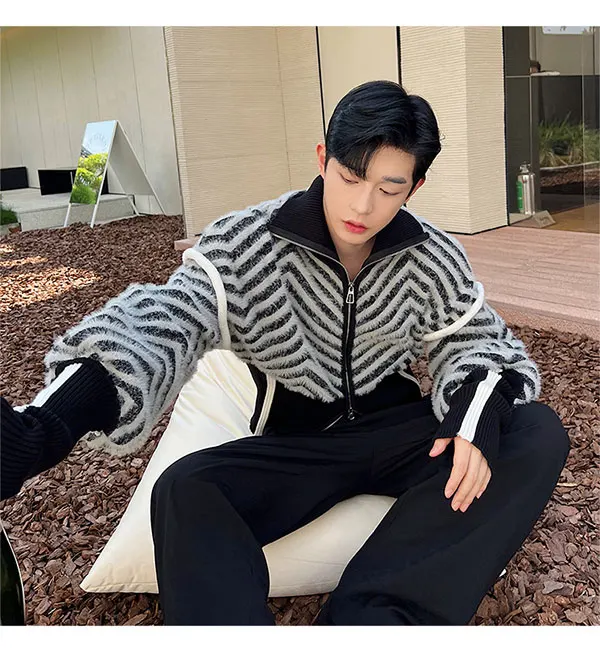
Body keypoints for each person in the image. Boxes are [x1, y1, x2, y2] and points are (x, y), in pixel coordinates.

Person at [1, 80, 570, 626]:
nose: (363, 205)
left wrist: (473, 418)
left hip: (397, 433)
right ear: (323, 158)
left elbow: (477, 341)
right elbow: (162, 321)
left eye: (389, 189)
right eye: (350, 177)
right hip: (297, 446)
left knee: (532, 429)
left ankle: (373, 620)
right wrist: (43, 428)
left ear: (414, 187)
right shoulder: (246, 244)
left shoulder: (430, 256)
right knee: (184, 489)